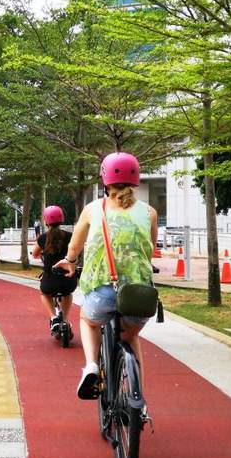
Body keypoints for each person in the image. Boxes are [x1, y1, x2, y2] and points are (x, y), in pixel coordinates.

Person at [55, 153, 158, 401]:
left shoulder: (93, 210)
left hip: (103, 289)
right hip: (138, 295)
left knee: (89, 321)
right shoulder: (150, 212)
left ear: (105, 179)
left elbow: (75, 245)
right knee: (131, 336)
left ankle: (91, 365)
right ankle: (138, 398)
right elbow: (150, 249)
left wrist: (69, 262)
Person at [32, 205, 78, 331]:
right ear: (61, 219)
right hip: (68, 279)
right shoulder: (70, 236)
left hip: (50, 281)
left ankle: (53, 318)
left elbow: (35, 254)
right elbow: (77, 250)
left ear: (46, 221)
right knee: (67, 294)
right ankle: (65, 319)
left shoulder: (42, 238)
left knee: (44, 293)